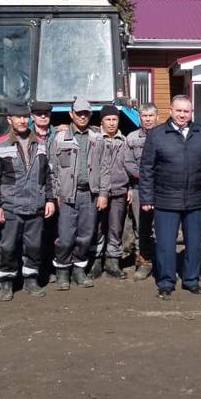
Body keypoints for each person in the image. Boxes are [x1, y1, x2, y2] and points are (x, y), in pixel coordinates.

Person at [139, 95, 201, 299]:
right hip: (165, 199)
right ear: (171, 110)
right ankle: (166, 282)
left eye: (187, 111)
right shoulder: (157, 134)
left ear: (191, 113)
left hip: (195, 199)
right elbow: (146, 169)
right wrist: (146, 198)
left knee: (193, 244)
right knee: (165, 244)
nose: (183, 114)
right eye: (179, 110)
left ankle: (191, 280)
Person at [0, 102, 56, 300]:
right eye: (18, 117)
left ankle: (30, 279)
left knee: (34, 246)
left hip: (36, 205)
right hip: (10, 206)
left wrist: (50, 199)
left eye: (25, 117)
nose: (22, 120)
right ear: (9, 119)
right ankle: (6, 282)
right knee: (8, 246)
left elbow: (49, 175)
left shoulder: (42, 144)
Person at [49, 97, 103, 290]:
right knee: (65, 237)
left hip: (89, 194)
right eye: (79, 113)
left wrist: (103, 193)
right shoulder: (59, 138)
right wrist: (55, 196)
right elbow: (52, 169)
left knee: (86, 235)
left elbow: (103, 167)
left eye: (86, 113)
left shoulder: (97, 138)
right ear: (71, 114)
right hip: (66, 196)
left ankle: (79, 270)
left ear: (90, 115)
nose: (82, 117)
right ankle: (62, 271)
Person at [91, 104, 136, 280]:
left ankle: (112, 262)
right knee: (97, 228)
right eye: (108, 119)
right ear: (101, 121)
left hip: (119, 191)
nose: (111, 123)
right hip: (97, 193)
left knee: (115, 229)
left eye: (114, 119)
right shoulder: (94, 139)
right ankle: (96, 261)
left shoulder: (124, 141)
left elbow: (130, 166)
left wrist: (131, 188)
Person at [127, 102, 159, 281]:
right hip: (139, 188)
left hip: (161, 189)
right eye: (144, 116)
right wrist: (142, 176)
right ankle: (144, 262)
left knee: (162, 228)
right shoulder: (131, 138)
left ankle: (161, 262)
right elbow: (128, 162)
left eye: (150, 116)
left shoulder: (165, 135)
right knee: (142, 228)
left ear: (157, 116)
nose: (147, 119)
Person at [30, 100, 59, 284]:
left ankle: (47, 268)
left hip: (54, 189)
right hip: (32, 190)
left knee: (51, 232)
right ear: (32, 116)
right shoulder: (26, 134)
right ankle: (29, 271)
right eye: (39, 114)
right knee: (31, 234)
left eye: (46, 114)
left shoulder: (57, 135)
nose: (43, 117)